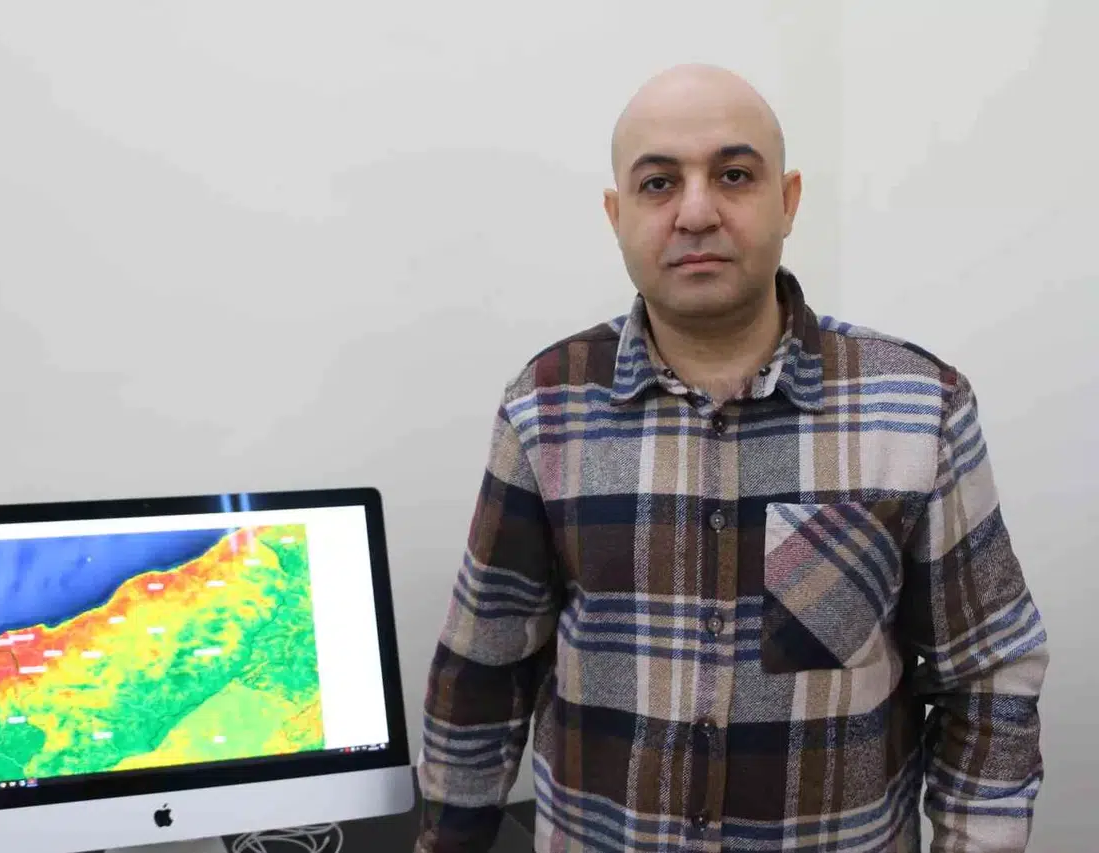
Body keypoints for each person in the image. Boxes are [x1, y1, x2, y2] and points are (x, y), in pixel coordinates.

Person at [414, 64, 1048, 853]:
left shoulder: (919, 408)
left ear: (788, 200)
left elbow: (987, 677)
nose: (696, 212)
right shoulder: (546, 406)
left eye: (734, 175)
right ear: (616, 215)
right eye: (657, 184)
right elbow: (483, 671)